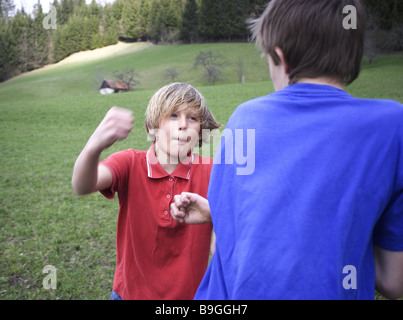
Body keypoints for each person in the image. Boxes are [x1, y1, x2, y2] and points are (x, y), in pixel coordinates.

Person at [171, 0, 403, 300]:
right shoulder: (392, 126)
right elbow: (393, 280)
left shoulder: (245, 119)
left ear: (281, 58)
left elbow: (227, 246)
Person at [72, 83, 221, 300]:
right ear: (152, 127)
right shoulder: (129, 163)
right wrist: (94, 145)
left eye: (193, 118)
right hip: (128, 294)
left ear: (200, 132)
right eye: (173, 115)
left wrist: (215, 216)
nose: (183, 125)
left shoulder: (212, 171)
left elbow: (229, 235)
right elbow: (82, 185)